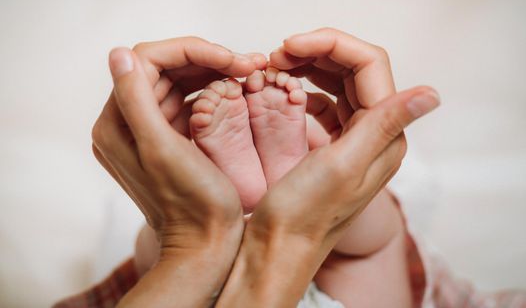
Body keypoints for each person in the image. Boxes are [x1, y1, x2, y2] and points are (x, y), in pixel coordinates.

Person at [55, 28, 440, 307]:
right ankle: (311, 184)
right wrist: (303, 229)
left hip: (184, 292)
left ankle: (204, 216)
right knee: (369, 252)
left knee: (157, 255)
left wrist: (189, 240)